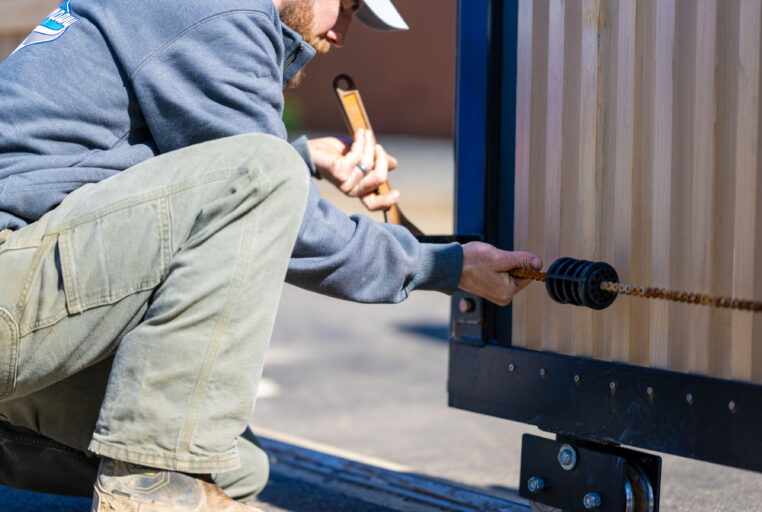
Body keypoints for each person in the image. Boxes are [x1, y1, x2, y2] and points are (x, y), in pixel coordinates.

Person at [0, 0, 542, 510]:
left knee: (232, 463)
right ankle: (154, 495)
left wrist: (302, 157)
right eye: (349, 7)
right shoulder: (221, 11)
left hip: (23, 280)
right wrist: (447, 266)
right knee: (263, 172)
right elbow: (279, 209)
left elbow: (133, 168)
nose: (340, 35)